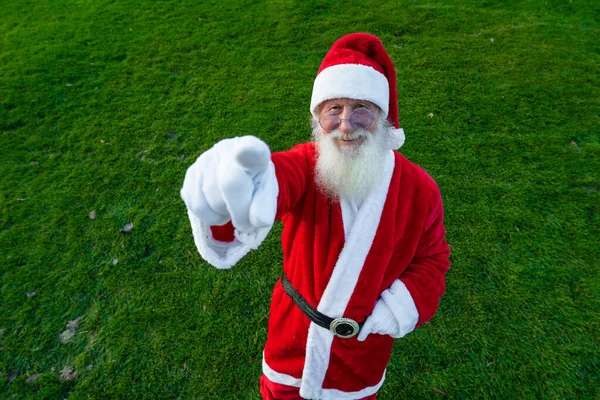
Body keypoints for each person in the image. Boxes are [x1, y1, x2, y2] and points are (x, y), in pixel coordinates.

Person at [180, 33, 450, 400]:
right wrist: (239, 185)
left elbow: (432, 259)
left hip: (360, 355)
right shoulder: (307, 166)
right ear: (318, 118)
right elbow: (278, 178)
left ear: (382, 118)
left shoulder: (420, 190)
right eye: (333, 110)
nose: (345, 124)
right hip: (291, 345)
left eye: (361, 110)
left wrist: (398, 309)